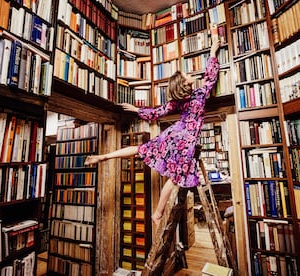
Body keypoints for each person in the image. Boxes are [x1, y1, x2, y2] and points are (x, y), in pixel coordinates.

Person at [85, 35, 220, 225]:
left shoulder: (180, 100)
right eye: (186, 75)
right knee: (174, 178)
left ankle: (102, 157)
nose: (190, 74)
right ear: (184, 83)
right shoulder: (200, 94)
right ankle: (157, 213)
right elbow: (210, 77)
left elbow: (156, 113)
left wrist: (137, 110)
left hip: (175, 135)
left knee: (143, 149)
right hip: (185, 141)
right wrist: (213, 52)